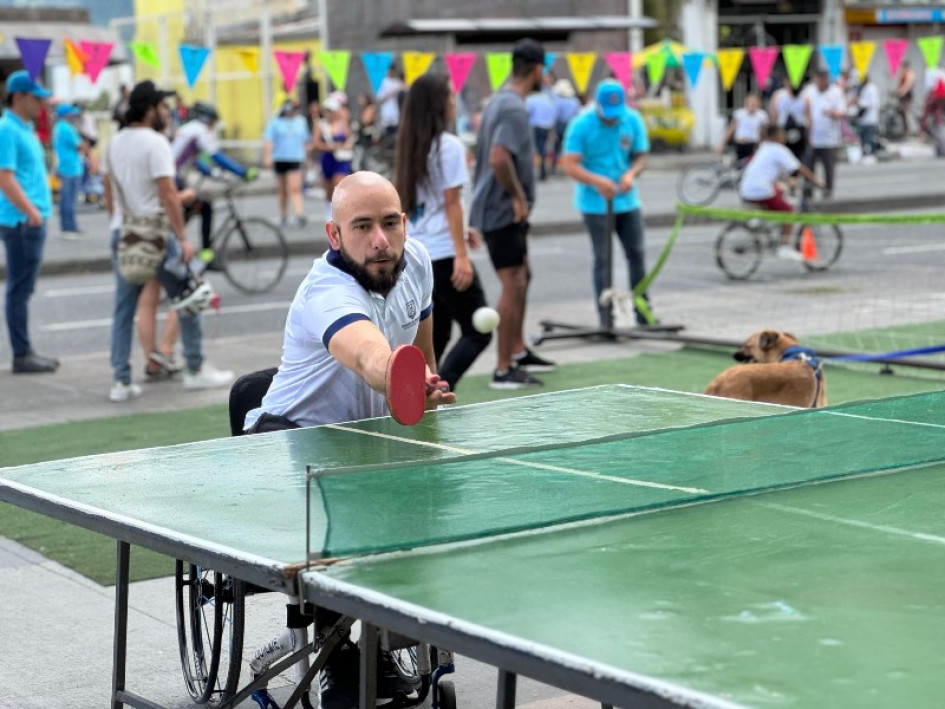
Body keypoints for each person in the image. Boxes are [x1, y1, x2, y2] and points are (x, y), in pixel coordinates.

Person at [104, 80, 233, 402]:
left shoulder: (114, 142)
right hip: (157, 236)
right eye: (162, 106)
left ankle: (121, 380)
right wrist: (182, 237)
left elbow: (108, 189)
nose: (167, 112)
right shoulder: (156, 142)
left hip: (123, 231)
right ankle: (195, 367)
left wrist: (116, 221)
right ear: (149, 109)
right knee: (189, 296)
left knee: (124, 308)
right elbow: (167, 194)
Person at [394, 73, 492, 391]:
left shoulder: (411, 146)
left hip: (419, 253)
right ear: (438, 104)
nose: (454, 102)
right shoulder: (449, 146)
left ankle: (417, 393)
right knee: (479, 330)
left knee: (437, 334)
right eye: (450, 96)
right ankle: (438, 389)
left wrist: (462, 233)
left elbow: (430, 205)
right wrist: (461, 253)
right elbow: (451, 202)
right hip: (445, 254)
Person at [470, 38, 555, 390]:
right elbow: (498, 157)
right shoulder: (514, 108)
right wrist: (518, 198)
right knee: (513, 282)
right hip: (501, 209)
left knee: (524, 274)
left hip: (498, 208)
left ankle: (518, 350)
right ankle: (503, 369)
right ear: (537, 69)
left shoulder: (499, 99)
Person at [561, 79, 653, 327]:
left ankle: (643, 312)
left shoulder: (632, 119)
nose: (612, 119)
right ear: (597, 105)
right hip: (595, 203)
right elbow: (570, 164)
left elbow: (641, 157)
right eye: (607, 113)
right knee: (603, 259)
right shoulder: (581, 125)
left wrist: (631, 174)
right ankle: (605, 316)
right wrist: (596, 181)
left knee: (637, 255)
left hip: (627, 201)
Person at [0, 70, 58, 374]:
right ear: (19, 97)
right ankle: (22, 354)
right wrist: (31, 211)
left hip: (30, 219)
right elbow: (5, 177)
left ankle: (25, 351)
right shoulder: (7, 129)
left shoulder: (25, 128)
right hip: (22, 221)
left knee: (23, 289)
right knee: (19, 290)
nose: (41, 103)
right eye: (36, 98)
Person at [171, 101, 257, 255]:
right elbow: (216, 156)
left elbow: (196, 162)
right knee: (204, 207)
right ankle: (204, 253)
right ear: (206, 119)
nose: (213, 127)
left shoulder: (190, 129)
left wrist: (215, 174)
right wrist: (243, 172)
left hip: (173, 177)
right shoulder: (199, 130)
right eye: (213, 123)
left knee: (196, 208)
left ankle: (178, 238)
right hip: (172, 179)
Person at [738, 124, 825, 260]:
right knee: (789, 213)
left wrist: (788, 180)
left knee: (779, 190)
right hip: (760, 190)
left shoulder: (764, 147)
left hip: (746, 189)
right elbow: (799, 168)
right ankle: (784, 247)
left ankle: (760, 220)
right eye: (783, 135)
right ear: (777, 136)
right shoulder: (779, 150)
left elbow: (772, 170)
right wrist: (815, 180)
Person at [263, 99, 311, 229]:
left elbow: (306, 141)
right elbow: (269, 140)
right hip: (280, 158)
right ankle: (283, 214)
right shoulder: (275, 122)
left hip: (295, 157)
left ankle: (299, 214)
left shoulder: (301, 121)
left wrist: (307, 158)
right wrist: (267, 156)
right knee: (282, 189)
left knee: (295, 187)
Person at [804, 69, 846, 200]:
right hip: (812, 137)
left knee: (829, 168)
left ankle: (828, 191)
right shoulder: (809, 91)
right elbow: (804, 108)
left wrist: (831, 113)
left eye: (822, 80)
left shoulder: (836, 92)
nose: (820, 83)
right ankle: (808, 192)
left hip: (830, 139)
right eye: (818, 80)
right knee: (809, 167)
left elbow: (842, 112)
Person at [312, 95, 354, 223]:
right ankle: (328, 212)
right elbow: (316, 144)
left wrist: (346, 145)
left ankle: (340, 213)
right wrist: (329, 147)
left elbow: (350, 138)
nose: (330, 114)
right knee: (329, 189)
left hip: (340, 159)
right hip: (327, 158)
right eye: (328, 111)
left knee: (339, 186)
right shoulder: (321, 125)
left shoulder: (342, 124)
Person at [52, 103, 85, 236]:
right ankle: (69, 227)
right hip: (71, 166)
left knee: (65, 198)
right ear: (66, 115)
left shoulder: (57, 128)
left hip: (63, 165)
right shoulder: (67, 128)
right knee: (70, 199)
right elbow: (80, 145)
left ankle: (66, 225)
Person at [717, 93, 769, 161]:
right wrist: (722, 144)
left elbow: (765, 131)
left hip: (754, 144)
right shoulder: (739, 114)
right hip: (740, 143)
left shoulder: (762, 115)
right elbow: (731, 129)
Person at [525, 75, 556, 181]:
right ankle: (543, 170)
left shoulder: (530, 99)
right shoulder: (548, 99)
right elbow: (553, 113)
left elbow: (527, 112)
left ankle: (536, 171)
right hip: (546, 126)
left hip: (534, 125)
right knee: (543, 148)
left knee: (534, 148)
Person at [769, 80, 808, 161]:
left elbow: (808, 115)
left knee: (798, 156)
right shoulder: (779, 95)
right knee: (783, 155)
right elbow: (773, 114)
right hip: (782, 128)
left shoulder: (804, 96)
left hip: (799, 129)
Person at [550, 78, 581, 175]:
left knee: (556, 147)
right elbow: (577, 115)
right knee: (568, 147)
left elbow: (554, 116)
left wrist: (552, 130)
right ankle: (567, 167)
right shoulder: (575, 102)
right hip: (570, 125)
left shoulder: (557, 102)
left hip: (559, 125)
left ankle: (554, 166)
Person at [854, 74, 881, 160]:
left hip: (870, 118)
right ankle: (866, 153)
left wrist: (860, 103)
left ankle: (871, 153)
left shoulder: (871, 88)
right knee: (864, 137)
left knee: (869, 137)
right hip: (864, 119)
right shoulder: (863, 88)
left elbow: (871, 103)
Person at [376, 64, 405, 145]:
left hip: (396, 112)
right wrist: (390, 94)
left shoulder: (398, 83)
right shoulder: (384, 82)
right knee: (387, 132)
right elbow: (380, 98)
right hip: (387, 112)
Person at [896, 59, 916, 137]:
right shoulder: (903, 73)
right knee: (902, 112)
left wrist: (901, 92)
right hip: (903, 96)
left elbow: (907, 86)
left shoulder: (910, 74)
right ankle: (905, 130)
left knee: (907, 113)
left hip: (907, 96)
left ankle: (910, 130)